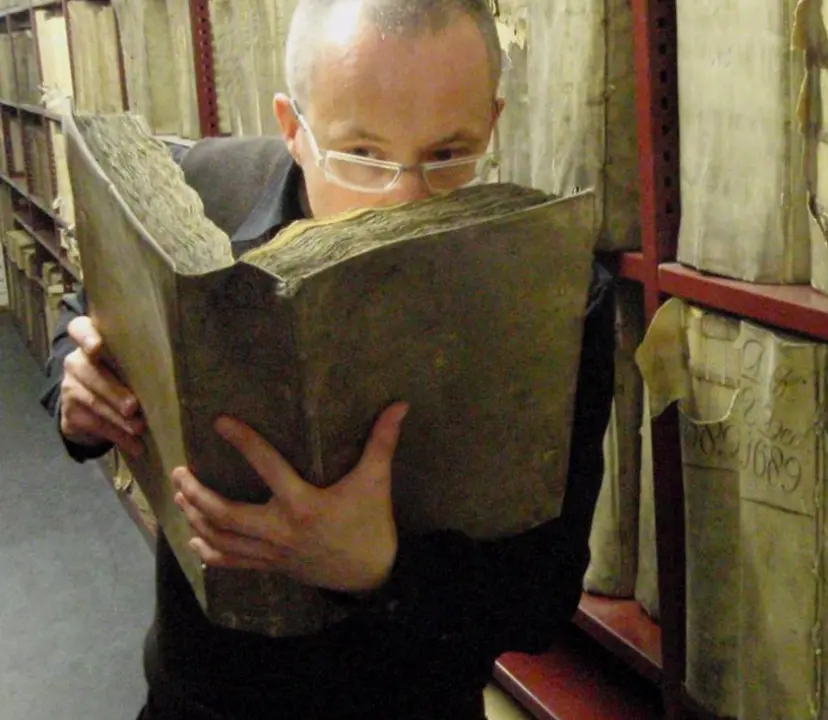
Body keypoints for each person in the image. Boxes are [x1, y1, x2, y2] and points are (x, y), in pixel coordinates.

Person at [39, 1, 616, 718]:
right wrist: (77, 385)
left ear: (492, 121)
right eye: (362, 155)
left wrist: (383, 571)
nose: (403, 202)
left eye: (448, 155)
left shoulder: (555, 295)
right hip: (199, 696)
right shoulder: (197, 197)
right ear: (293, 128)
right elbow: (88, 311)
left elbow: (542, 600)